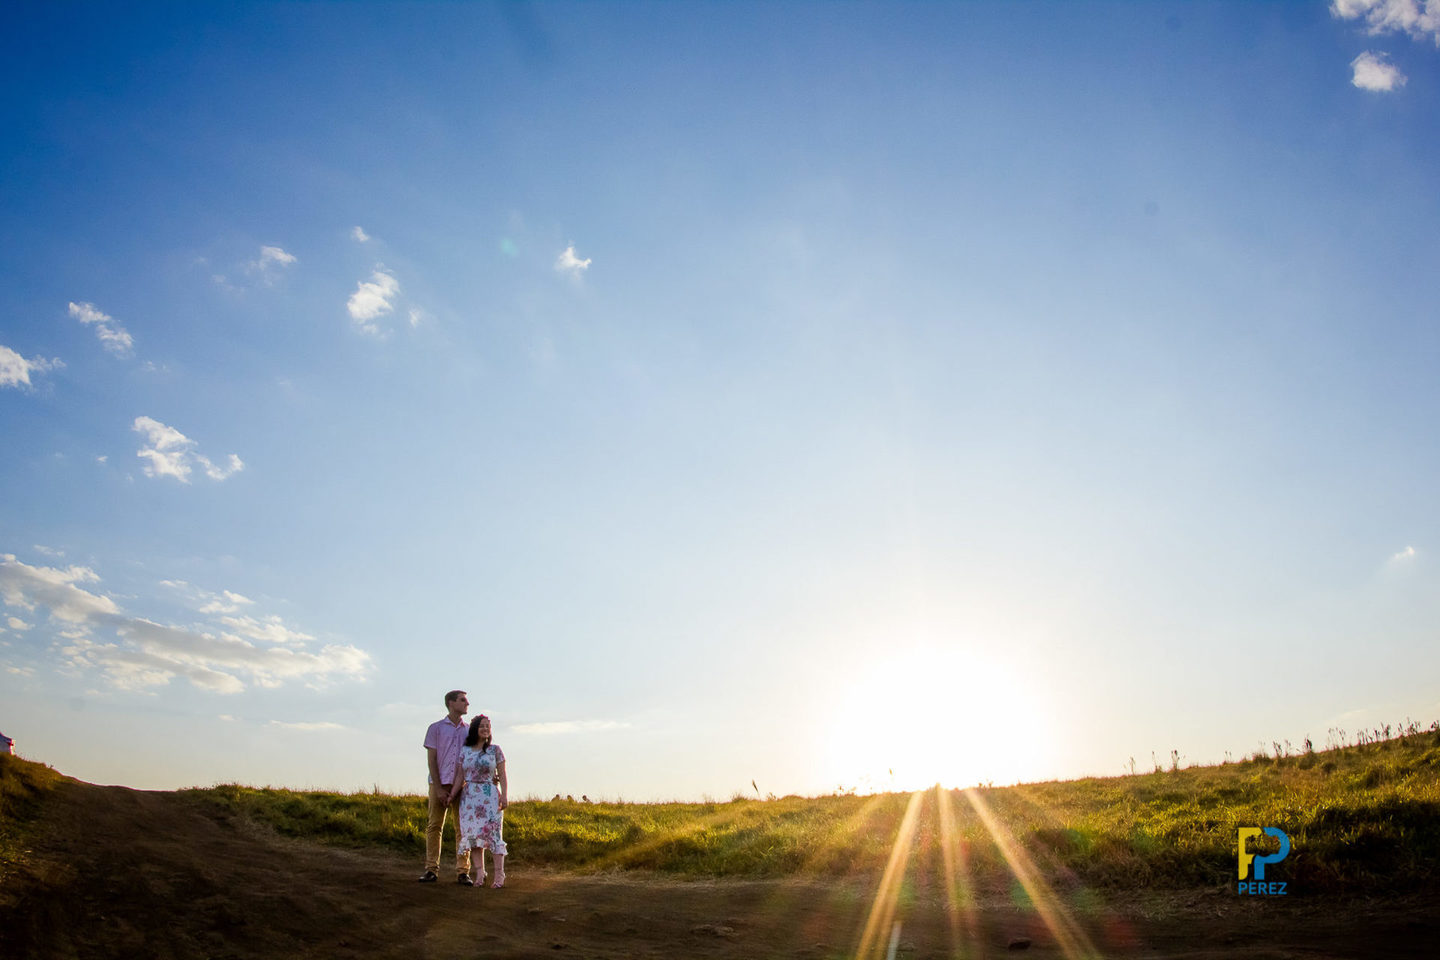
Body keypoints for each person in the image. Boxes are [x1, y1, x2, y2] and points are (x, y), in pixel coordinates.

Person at [420, 690, 473, 884]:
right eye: (463, 700)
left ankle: (462, 871)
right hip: (438, 783)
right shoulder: (435, 728)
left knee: (462, 828)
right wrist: (439, 788)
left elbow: (470, 759)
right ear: (451, 703)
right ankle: (431, 869)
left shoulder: (469, 731)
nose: (467, 703)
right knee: (434, 826)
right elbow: (431, 760)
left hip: (462, 785)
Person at [449, 713, 508, 888]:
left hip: (489, 795)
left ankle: (499, 874)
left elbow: (503, 775)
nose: (485, 729)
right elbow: (460, 776)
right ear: (475, 729)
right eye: (482, 726)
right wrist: (452, 795)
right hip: (469, 798)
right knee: (473, 837)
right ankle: (480, 873)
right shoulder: (465, 751)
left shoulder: (495, 750)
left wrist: (504, 795)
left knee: (494, 835)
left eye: (488, 727)